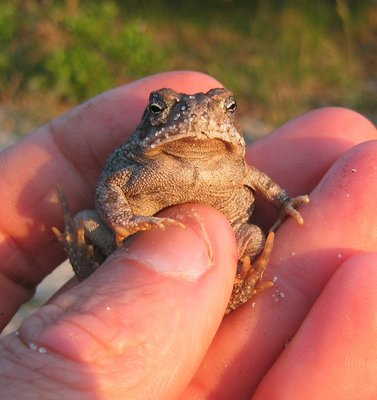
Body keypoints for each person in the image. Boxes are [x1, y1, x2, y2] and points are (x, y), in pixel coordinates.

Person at [0, 71, 376, 399]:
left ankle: (231, 295)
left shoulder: (232, 163)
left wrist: (285, 202)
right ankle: (94, 276)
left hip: (226, 241)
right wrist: (124, 220)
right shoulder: (139, 163)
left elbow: (258, 180)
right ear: (149, 120)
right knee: (83, 222)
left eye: (226, 108)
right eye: (159, 110)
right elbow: (108, 188)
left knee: (258, 242)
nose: (197, 119)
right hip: (124, 243)